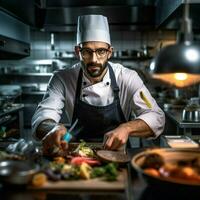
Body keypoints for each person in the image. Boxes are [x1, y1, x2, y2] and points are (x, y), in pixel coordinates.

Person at [32, 14, 165, 154]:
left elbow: (156, 116)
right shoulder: (62, 78)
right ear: (78, 52)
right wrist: (53, 128)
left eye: (101, 51)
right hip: (75, 154)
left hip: (117, 155)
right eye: (87, 52)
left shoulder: (128, 78)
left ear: (109, 52)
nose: (94, 59)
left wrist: (127, 128)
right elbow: (43, 116)